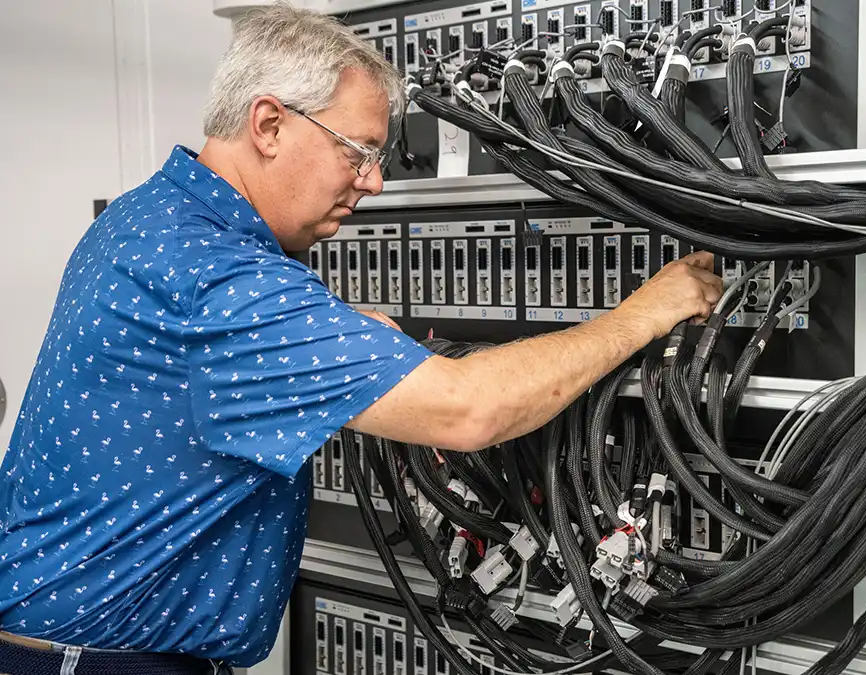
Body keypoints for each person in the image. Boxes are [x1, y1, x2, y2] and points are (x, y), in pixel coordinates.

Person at [0, 3, 723, 673]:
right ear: (269, 124)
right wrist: (645, 313)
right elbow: (469, 409)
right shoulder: (218, 278)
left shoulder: (147, 220)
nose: (374, 181)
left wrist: (325, 338)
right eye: (358, 149)